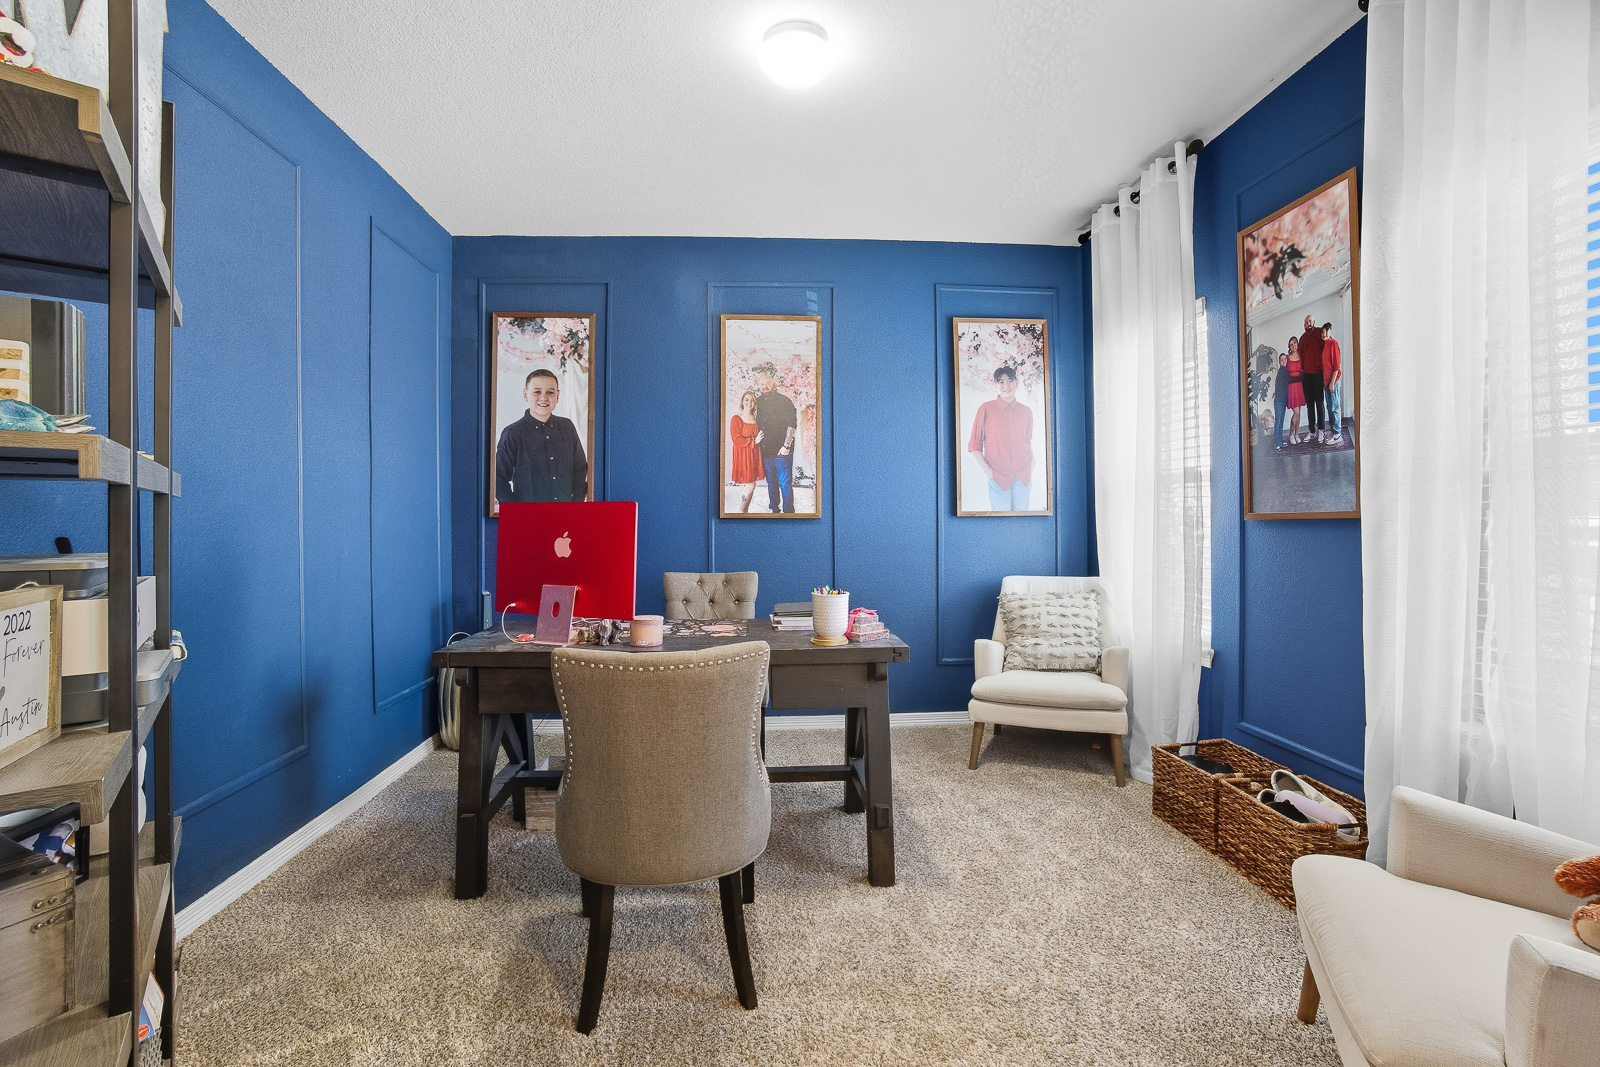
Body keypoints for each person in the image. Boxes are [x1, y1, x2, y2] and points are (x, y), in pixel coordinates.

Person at [495, 368, 589, 504]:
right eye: (537, 392)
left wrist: (576, 505)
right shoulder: (512, 433)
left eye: (550, 392)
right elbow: (499, 479)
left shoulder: (567, 427)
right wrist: (516, 513)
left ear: (557, 396)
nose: (544, 397)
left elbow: (580, 470)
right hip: (528, 519)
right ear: (525, 395)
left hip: (567, 517)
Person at [967, 365, 1034, 511]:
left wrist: (1031, 465)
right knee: (1001, 522)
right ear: (996, 385)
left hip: (1023, 476)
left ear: (1017, 382)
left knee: (1021, 522)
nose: (1006, 386)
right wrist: (989, 472)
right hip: (998, 476)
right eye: (1001, 382)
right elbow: (974, 445)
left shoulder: (1026, 411)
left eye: (1010, 380)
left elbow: (1027, 441)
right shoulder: (985, 409)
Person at [752, 363, 797, 514]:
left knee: (784, 483)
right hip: (765, 451)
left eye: (768, 383)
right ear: (758, 385)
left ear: (774, 383)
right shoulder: (756, 402)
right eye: (762, 384)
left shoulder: (785, 401)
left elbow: (792, 424)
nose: (765, 386)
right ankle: (774, 510)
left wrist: (786, 446)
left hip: (782, 451)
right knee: (771, 483)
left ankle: (789, 512)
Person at [728, 390, 763, 513]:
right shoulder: (736, 419)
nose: (749, 402)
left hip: (754, 455)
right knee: (751, 485)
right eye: (747, 399)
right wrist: (754, 441)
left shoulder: (756, 419)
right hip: (743, 456)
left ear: (755, 403)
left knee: (751, 485)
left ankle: (744, 510)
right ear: (742, 402)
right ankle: (743, 510)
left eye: (752, 400)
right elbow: (736, 439)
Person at [1297, 314, 1328, 443]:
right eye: (1306, 322)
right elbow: (1299, 356)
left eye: (1310, 321)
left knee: (1319, 403)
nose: (1308, 323)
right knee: (1310, 405)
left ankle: (1321, 429)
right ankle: (1312, 431)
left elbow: (1326, 349)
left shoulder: (1320, 333)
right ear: (1304, 324)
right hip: (1306, 376)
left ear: (1314, 321)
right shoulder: (1303, 338)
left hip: (1318, 374)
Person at [1321, 322, 1343, 444]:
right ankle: (1334, 431)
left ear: (1330, 332)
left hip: (1333, 381)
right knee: (1329, 407)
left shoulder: (1333, 343)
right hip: (1326, 382)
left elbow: (1336, 367)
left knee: (1335, 407)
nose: (1323, 334)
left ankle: (1338, 433)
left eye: (1325, 332)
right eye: (1322, 332)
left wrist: (1331, 383)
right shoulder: (1325, 345)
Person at [1286, 336, 1305, 445]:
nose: (1293, 346)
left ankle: (1297, 434)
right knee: (1296, 412)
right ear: (1289, 346)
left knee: (1299, 412)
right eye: (1291, 344)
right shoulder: (1287, 358)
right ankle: (1290, 434)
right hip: (1291, 388)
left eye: (1294, 344)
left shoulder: (1301, 357)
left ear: (1297, 344)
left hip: (1300, 387)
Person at [1272, 350, 1291, 451]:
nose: (1283, 361)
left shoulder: (1285, 370)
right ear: (1279, 361)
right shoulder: (1282, 371)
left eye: (1285, 359)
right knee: (1278, 421)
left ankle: (1280, 440)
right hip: (1279, 400)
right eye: (1281, 359)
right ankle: (1277, 443)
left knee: (1281, 421)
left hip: (1282, 400)